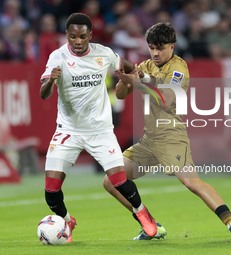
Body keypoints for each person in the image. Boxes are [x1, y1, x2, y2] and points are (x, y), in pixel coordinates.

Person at [103, 22, 231, 241]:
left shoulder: (178, 68)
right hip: (149, 141)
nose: (155, 52)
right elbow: (122, 94)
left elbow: (167, 99)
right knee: (111, 181)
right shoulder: (146, 65)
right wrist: (125, 77)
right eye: (152, 47)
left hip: (171, 137)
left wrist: (138, 81)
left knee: (191, 182)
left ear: (172, 46)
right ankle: (151, 224)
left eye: (160, 47)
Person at [39, 13, 158, 243]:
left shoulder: (103, 53)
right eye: (72, 36)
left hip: (100, 131)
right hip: (68, 131)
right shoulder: (57, 57)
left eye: (82, 36)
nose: (77, 41)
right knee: (51, 193)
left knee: (119, 181)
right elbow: (44, 94)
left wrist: (129, 76)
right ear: (67, 35)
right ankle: (66, 220)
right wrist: (50, 81)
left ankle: (143, 213)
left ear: (90, 36)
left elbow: (123, 65)